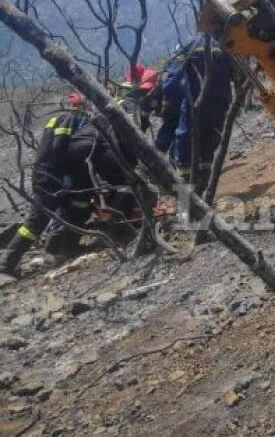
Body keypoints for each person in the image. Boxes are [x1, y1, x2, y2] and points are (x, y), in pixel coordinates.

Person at [0, 94, 138, 279]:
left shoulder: (55, 119)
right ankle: (6, 264)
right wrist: (68, 173)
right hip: (54, 176)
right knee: (37, 221)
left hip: (48, 174)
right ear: (81, 106)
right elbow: (59, 147)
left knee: (77, 208)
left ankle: (64, 247)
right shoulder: (70, 118)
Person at [154, 36, 234, 183]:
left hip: (196, 102)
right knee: (209, 140)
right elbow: (237, 74)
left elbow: (173, 78)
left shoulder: (189, 46)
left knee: (185, 139)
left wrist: (168, 102)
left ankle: (185, 191)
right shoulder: (222, 45)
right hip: (221, 101)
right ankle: (204, 183)